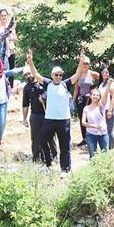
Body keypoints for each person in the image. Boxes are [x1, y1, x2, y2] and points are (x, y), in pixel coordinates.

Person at [27, 50, 81, 178]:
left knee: (64, 145)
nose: (58, 77)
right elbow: (36, 74)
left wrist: (81, 61)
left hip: (64, 120)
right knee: (42, 141)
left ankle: (65, 169)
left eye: (60, 75)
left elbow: (77, 74)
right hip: (50, 119)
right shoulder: (48, 84)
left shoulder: (65, 84)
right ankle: (48, 163)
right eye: (56, 75)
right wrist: (31, 62)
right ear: (52, 76)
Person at [21, 66, 58, 164]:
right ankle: (36, 157)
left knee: (50, 137)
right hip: (35, 115)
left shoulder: (44, 81)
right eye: (26, 75)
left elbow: (52, 89)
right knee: (35, 137)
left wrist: (44, 96)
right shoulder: (26, 88)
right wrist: (24, 118)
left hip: (48, 114)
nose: (28, 76)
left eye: (29, 73)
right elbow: (25, 104)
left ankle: (54, 156)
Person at [74, 56, 101, 148]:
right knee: (82, 118)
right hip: (81, 99)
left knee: (90, 118)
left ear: (89, 65)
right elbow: (76, 89)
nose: (85, 65)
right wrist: (73, 101)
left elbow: (102, 80)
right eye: (83, 63)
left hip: (90, 99)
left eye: (86, 64)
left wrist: (95, 90)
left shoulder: (92, 74)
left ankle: (92, 138)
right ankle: (84, 139)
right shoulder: (78, 74)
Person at [81, 88, 109, 158]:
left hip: (103, 133)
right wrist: (93, 126)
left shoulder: (102, 106)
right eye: (93, 95)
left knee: (106, 154)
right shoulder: (86, 108)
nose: (95, 96)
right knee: (93, 156)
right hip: (90, 134)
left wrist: (108, 85)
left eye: (97, 95)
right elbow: (83, 122)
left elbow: (105, 95)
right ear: (90, 96)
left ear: (99, 97)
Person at [97, 65, 114, 149]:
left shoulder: (111, 83)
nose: (105, 74)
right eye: (103, 72)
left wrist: (110, 110)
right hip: (102, 109)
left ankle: (111, 148)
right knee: (103, 129)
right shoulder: (101, 83)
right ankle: (105, 147)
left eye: (107, 72)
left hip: (109, 109)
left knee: (109, 130)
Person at [0, 8, 18, 86]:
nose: (3, 17)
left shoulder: (11, 27)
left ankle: (11, 87)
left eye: (5, 15)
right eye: (2, 16)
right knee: (2, 69)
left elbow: (16, 39)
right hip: (1, 51)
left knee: (12, 69)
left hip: (11, 50)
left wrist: (8, 37)